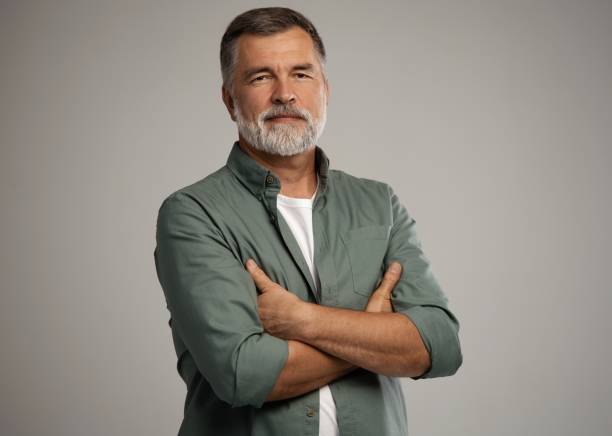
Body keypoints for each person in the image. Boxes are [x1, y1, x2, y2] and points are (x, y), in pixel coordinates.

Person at [154, 7, 462, 436]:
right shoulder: (193, 213)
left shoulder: (379, 204)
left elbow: (441, 345)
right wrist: (373, 334)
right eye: (261, 77)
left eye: (301, 74)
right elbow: (242, 373)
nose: (285, 94)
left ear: (325, 89)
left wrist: (301, 320)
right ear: (229, 99)